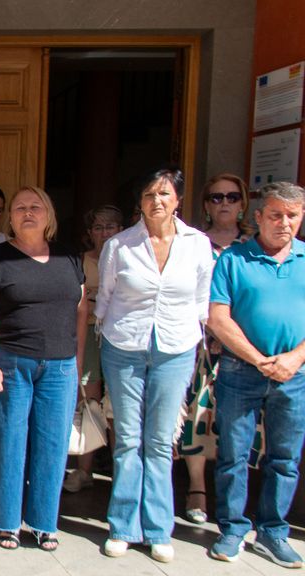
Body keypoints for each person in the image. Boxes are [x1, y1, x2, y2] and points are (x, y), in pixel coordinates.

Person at [96, 168, 212, 563]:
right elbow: (105, 299)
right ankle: (123, 525)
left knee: (161, 441)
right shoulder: (120, 246)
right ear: (140, 202)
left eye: (164, 194)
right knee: (128, 439)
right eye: (149, 194)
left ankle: (159, 528)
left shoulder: (198, 244)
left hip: (176, 349)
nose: (157, 201)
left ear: (178, 200)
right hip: (124, 346)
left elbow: (202, 301)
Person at [0, 186, 88, 552]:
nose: (28, 213)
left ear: (48, 215)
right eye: (20, 208)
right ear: (10, 218)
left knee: (53, 446)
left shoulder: (69, 257)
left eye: (36, 207)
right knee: (9, 443)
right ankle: (6, 523)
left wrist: (78, 360)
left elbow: (81, 309)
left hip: (60, 366)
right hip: (11, 364)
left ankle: (43, 523)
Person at [208, 181, 305, 568]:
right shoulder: (234, 259)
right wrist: (258, 359)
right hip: (240, 369)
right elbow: (218, 317)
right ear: (260, 217)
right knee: (233, 454)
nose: (284, 223)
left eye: (293, 216)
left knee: (284, 458)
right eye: (276, 215)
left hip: (294, 373)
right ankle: (232, 529)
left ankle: (273, 532)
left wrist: (294, 359)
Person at [179, 173, 253, 524]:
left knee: (238, 420)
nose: (224, 203)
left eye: (232, 197)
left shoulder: (256, 243)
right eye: (216, 197)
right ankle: (197, 486)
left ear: (243, 203)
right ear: (206, 205)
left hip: (246, 344)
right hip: (200, 345)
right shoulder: (191, 242)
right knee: (199, 413)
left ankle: (235, 495)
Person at [63, 205, 124, 493]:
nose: (104, 233)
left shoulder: (129, 257)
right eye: (98, 228)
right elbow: (77, 303)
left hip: (120, 337)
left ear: (120, 230)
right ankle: (83, 469)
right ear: (89, 233)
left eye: (110, 227)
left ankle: (119, 471)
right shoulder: (80, 261)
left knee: (119, 405)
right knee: (89, 400)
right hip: (88, 337)